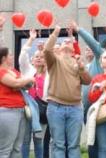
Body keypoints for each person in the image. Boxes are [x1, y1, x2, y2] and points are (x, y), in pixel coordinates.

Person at [44, 25, 92, 158]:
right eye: (64, 41)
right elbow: (47, 50)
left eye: (69, 41)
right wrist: (55, 33)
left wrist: (82, 68)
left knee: (74, 145)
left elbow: (88, 81)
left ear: (73, 49)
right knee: (58, 144)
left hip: (76, 108)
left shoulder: (77, 62)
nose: (66, 42)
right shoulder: (54, 60)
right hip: (55, 107)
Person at [68, 21, 104, 158]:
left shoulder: (99, 61)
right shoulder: (83, 66)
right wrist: (72, 38)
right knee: (91, 139)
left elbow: (94, 44)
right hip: (84, 108)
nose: (88, 50)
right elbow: (75, 52)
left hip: (97, 106)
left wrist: (79, 30)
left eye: (90, 49)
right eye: (86, 49)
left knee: (101, 139)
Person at [0, 46, 33, 158]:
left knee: (17, 148)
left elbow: (26, 85)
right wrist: (25, 80)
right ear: (4, 58)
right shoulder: (1, 71)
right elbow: (15, 84)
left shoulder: (13, 71)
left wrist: (21, 82)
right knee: (5, 149)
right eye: (10, 55)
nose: (12, 56)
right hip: (7, 110)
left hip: (20, 111)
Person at [19, 30, 47, 158]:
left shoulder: (50, 73)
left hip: (42, 110)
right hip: (27, 110)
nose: (39, 58)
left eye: (42, 57)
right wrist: (31, 39)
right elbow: (23, 55)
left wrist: (45, 50)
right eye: (37, 56)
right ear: (32, 59)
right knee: (25, 141)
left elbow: (53, 59)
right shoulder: (28, 70)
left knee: (39, 140)